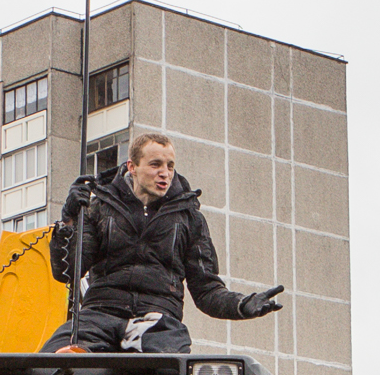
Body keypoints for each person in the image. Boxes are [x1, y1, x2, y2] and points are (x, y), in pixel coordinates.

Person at [44, 132, 284, 353]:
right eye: (155, 164)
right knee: (48, 362)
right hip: (99, 315)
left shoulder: (189, 218)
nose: (165, 173)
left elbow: (207, 291)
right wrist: (69, 220)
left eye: (170, 166)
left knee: (172, 371)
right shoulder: (99, 207)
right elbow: (67, 273)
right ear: (133, 167)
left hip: (158, 321)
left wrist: (243, 305)